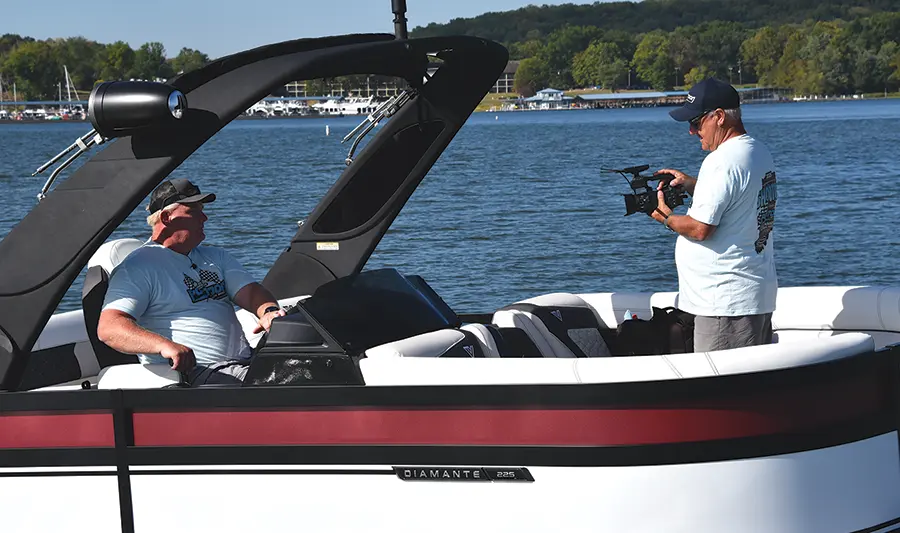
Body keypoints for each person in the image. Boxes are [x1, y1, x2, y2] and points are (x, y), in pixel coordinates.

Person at [97, 178, 286, 385]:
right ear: (167, 217)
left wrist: (268, 312)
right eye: (194, 211)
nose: (204, 217)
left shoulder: (216, 256)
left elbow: (250, 293)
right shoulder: (138, 267)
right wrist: (164, 345)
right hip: (196, 374)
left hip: (244, 362)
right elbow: (110, 328)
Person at [650, 77, 778, 352]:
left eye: (695, 123)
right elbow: (738, 197)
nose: (691, 131)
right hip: (750, 297)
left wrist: (664, 217)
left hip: (726, 305)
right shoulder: (756, 151)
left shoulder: (721, 161)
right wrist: (693, 184)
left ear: (719, 117)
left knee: (724, 389)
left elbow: (700, 229)